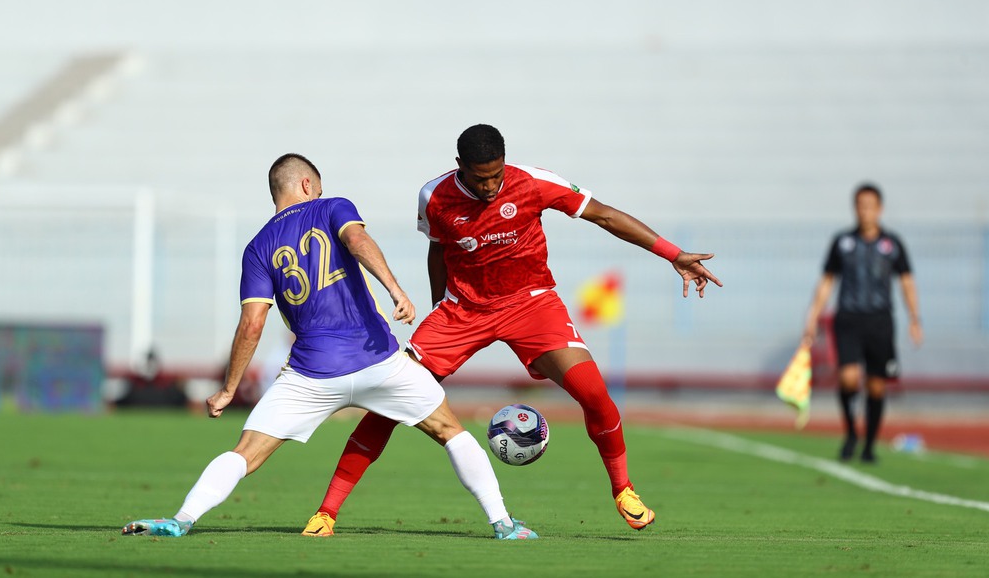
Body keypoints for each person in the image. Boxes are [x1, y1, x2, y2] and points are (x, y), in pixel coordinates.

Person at [308, 124, 722, 535]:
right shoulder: (433, 196)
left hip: (531, 304)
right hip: (462, 312)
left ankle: (623, 489)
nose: (490, 187)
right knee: (389, 402)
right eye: (479, 177)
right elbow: (439, 247)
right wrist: (439, 306)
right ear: (460, 167)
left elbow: (606, 216)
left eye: (496, 175)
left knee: (594, 393)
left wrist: (674, 254)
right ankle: (326, 512)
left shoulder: (535, 183)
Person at [121, 153, 536, 541]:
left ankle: (181, 520)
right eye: (316, 187)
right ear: (307, 184)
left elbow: (252, 323)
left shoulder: (258, 248)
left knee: (245, 453)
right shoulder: (332, 206)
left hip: (309, 375)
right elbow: (357, 242)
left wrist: (229, 389)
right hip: (378, 361)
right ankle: (502, 523)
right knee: (451, 431)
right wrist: (395, 290)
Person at [802, 183, 923, 463]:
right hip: (849, 319)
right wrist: (812, 316)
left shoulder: (892, 245)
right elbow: (827, 281)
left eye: (870, 206)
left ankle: (869, 445)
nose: (865, 211)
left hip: (880, 321)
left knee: (877, 385)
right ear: (854, 208)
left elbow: (906, 281)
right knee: (847, 378)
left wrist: (915, 318)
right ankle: (851, 433)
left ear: (879, 209)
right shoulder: (843, 242)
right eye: (860, 205)